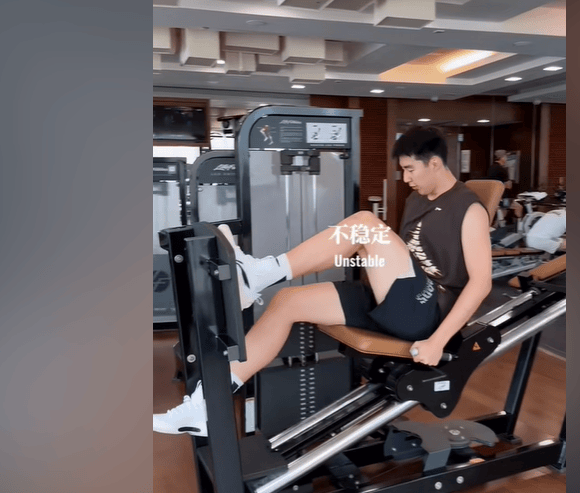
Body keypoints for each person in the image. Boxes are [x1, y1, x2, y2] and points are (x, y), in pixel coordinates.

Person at [153, 127, 493, 437]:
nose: (405, 179)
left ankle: (258, 273)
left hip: (428, 311)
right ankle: (204, 407)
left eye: (410, 170)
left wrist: (437, 341)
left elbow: (481, 283)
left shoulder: (469, 208)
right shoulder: (417, 198)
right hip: (399, 296)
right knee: (287, 302)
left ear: (434, 163)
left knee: (365, 223)